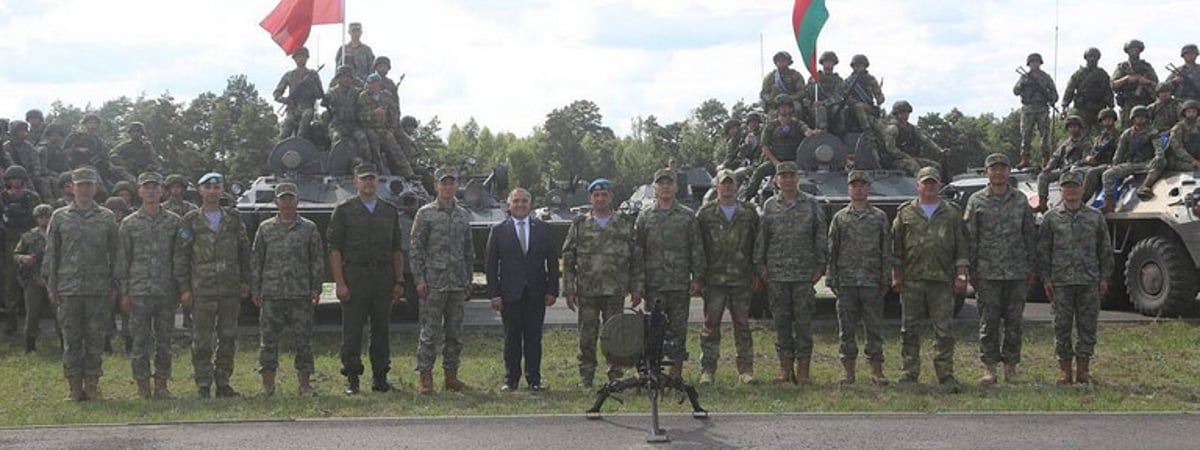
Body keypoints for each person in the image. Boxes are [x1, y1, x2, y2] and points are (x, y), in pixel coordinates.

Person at [44, 167, 122, 401]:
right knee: (71, 339)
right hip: (68, 289)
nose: (85, 189)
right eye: (81, 185)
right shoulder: (59, 216)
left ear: (96, 188)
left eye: (89, 184)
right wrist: (51, 285)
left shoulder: (106, 216)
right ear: (72, 188)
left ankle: (92, 385)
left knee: (96, 339)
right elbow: (51, 253)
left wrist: (115, 285)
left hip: (98, 289)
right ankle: (74, 387)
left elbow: (115, 253)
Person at [327, 164, 406, 395]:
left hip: (383, 276)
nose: (368, 183)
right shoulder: (344, 210)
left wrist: (399, 280)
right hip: (355, 275)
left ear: (378, 182)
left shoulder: (389, 210)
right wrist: (339, 283)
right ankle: (352, 378)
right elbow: (334, 250)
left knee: (381, 330)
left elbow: (396, 249)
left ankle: (380, 378)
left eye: (372, 179)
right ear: (356, 182)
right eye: (364, 179)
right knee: (352, 330)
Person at [174, 172, 251, 399]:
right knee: (202, 340)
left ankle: (224, 382)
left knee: (228, 337)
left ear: (222, 190)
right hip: (202, 289)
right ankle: (204, 384)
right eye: (208, 187)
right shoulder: (190, 220)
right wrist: (184, 288)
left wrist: (246, 280)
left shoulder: (233, 218)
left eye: (217, 187)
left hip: (229, 288)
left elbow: (244, 251)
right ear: (200, 191)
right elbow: (181, 255)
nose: (213, 191)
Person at [561, 178, 642, 388]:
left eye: (604, 195)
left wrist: (636, 287)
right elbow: (568, 257)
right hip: (587, 290)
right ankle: (586, 376)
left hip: (615, 289)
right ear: (590, 198)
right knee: (587, 335)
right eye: (596, 195)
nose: (600, 199)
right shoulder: (580, 224)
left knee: (615, 335)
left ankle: (616, 375)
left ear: (610, 197)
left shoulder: (624, 223)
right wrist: (569, 289)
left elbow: (636, 258)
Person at [892, 167, 968, 388]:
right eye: (925, 183)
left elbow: (961, 245)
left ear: (939, 185)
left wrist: (961, 274)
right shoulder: (905, 212)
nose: (930, 186)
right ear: (918, 185)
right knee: (909, 330)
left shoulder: (952, 212)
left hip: (942, 279)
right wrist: (896, 274)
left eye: (933, 182)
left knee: (944, 330)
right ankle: (909, 372)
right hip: (912, 279)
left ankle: (945, 374)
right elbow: (896, 246)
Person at [965, 154, 1037, 385]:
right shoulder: (976, 200)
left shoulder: (1020, 200)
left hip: (1016, 271)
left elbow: (1029, 235)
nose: (998, 173)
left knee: (1014, 323)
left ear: (1008, 172)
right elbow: (970, 238)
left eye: (1003, 169)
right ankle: (989, 369)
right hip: (987, 272)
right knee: (989, 322)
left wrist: (1031, 267)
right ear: (987, 172)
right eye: (993, 169)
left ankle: (1011, 368)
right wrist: (971, 269)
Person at [1037, 169, 1113, 384]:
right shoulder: (1051, 218)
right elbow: (1043, 251)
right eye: (1067, 186)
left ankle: (1083, 370)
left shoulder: (1095, 216)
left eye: (1075, 186)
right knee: (1061, 327)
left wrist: (1104, 277)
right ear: (1060, 190)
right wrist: (1046, 278)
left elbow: (1104, 250)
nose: (1071, 190)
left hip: (1089, 280)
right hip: (1061, 282)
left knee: (1087, 327)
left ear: (1082, 189)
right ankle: (1064, 370)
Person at [754, 161, 825, 385]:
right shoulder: (769, 206)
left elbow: (820, 236)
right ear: (777, 180)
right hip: (777, 274)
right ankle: (785, 369)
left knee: (804, 324)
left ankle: (803, 372)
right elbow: (762, 239)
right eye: (783, 176)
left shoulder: (812, 204)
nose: (787, 180)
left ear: (798, 178)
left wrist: (819, 266)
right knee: (782, 324)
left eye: (791, 176)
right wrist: (761, 268)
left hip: (804, 274)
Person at [251, 182, 324, 397]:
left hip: (299, 292)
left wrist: (315, 287)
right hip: (272, 293)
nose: (287, 202)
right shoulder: (265, 228)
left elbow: (316, 259)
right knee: (268, 341)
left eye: (290, 198)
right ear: (276, 202)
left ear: (297, 201)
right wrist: (256, 288)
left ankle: (304, 384)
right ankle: (268, 386)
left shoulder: (309, 228)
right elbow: (257, 259)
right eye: (283, 198)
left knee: (303, 341)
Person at [485, 188, 560, 391]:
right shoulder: (498, 230)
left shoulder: (543, 228)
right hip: (509, 294)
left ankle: (534, 379)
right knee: (512, 339)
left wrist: (553, 290)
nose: (520, 204)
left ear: (530, 204)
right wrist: (494, 294)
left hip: (536, 293)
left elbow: (553, 262)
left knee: (534, 338)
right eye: (516, 201)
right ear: (509, 205)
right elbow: (491, 266)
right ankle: (511, 380)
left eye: (524, 201)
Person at [634, 169, 704, 380]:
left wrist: (698, 278)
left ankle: (676, 372)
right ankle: (653, 371)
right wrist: (638, 284)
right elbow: (638, 252)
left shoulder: (687, 216)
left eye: (669, 183)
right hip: (654, 284)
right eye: (661, 183)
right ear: (654, 187)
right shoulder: (645, 216)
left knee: (678, 329)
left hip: (679, 283)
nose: (665, 187)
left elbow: (696, 249)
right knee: (653, 331)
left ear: (676, 187)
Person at [117, 172, 181, 399]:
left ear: (162, 191)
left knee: (164, 341)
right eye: (147, 187)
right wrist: (124, 293)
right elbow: (123, 260)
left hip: (166, 290)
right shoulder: (129, 223)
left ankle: (162, 385)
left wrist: (181, 288)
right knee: (140, 342)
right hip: (139, 291)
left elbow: (179, 257)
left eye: (156, 187)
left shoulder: (174, 221)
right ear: (139, 191)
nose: (152, 191)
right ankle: (142, 386)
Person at [411, 168, 475, 394]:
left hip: (457, 282)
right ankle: (425, 378)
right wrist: (419, 279)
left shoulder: (463, 215)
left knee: (454, 333)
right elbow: (416, 249)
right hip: (433, 283)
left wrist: (468, 278)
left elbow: (469, 250)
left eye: (452, 183)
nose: (448, 187)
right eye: (443, 183)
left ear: (457, 185)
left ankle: (451, 377)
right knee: (429, 333)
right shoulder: (425, 214)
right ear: (436, 186)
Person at [826, 170, 891, 385]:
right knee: (847, 328)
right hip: (847, 281)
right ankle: (848, 370)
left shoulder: (879, 217)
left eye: (862, 185)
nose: (859, 189)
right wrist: (831, 278)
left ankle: (876, 370)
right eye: (854, 185)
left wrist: (885, 278)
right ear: (849, 189)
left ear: (868, 189)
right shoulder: (840, 218)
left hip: (871, 280)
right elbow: (832, 250)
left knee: (874, 328)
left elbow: (885, 250)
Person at [695, 169, 758, 384]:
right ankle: (708, 370)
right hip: (714, 280)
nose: (728, 187)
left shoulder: (749, 212)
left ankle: (746, 369)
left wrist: (757, 271)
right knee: (710, 326)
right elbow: (698, 247)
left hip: (741, 278)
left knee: (742, 324)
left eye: (731, 183)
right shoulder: (705, 214)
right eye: (724, 183)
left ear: (737, 186)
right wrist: (699, 276)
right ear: (717, 186)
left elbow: (757, 244)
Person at [743, 96, 816, 200]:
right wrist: (776, 162)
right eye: (781, 107)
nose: (784, 109)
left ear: (791, 108)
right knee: (759, 171)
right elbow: (765, 146)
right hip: (777, 161)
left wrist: (810, 132)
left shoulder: (797, 123)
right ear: (777, 109)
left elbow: (805, 130)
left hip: (796, 161)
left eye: (786, 107)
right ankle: (748, 198)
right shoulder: (771, 126)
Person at [1, 165, 41, 336]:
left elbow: (37, 219)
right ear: (8, 180)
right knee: (9, 281)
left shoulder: (32, 197)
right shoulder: (2, 197)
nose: (16, 181)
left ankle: (33, 322)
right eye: (13, 178)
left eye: (18, 178)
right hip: (8, 240)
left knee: (31, 281)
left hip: (27, 239)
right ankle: (11, 320)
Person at [14, 204, 57, 354]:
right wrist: (23, 258)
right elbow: (16, 254)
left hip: (54, 280)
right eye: (41, 217)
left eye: (47, 216)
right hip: (33, 278)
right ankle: (29, 345)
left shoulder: (58, 234)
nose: (44, 220)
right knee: (32, 313)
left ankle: (66, 343)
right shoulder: (29, 236)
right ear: (36, 218)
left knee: (59, 313)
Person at [1136, 101, 1200, 200]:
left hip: (1195, 158)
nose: (1191, 114)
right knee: (1194, 169)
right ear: (1184, 113)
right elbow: (1178, 149)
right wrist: (1193, 161)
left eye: (1194, 112)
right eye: (1189, 111)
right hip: (1176, 160)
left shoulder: (1198, 127)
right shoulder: (1178, 128)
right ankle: (1145, 186)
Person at [1104, 106, 1162, 207]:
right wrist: (1115, 165)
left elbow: (1158, 149)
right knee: (1107, 174)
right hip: (1131, 163)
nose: (1141, 119)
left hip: (1146, 163)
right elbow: (1119, 152)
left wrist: (1158, 156)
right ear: (1133, 118)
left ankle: (1145, 186)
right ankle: (1109, 202)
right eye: (1138, 117)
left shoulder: (1153, 132)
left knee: (1161, 161)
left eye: (1143, 117)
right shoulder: (1127, 134)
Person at [359, 73, 415, 177]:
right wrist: (373, 113)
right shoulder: (363, 97)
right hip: (369, 128)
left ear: (379, 85)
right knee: (374, 144)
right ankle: (378, 171)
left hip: (383, 128)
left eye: (375, 84)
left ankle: (408, 172)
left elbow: (393, 115)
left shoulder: (386, 97)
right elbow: (360, 117)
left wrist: (391, 129)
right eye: (370, 84)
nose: (372, 86)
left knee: (395, 147)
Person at [1035, 116, 1091, 212]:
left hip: (1077, 170)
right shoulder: (1066, 144)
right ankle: (1042, 203)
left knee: (1069, 179)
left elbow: (1087, 159)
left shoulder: (1086, 142)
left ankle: (1071, 204)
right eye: (1070, 127)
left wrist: (1076, 164)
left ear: (1080, 128)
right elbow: (1056, 156)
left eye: (1075, 126)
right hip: (1063, 169)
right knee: (1042, 176)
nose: (1073, 129)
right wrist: (1048, 167)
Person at [1014, 53, 1059, 168]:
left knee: (1045, 135)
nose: (1035, 64)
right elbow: (1015, 91)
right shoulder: (1024, 77)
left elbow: (1054, 92)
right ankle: (1025, 158)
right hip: (1028, 108)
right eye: (1032, 62)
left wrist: (1052, 99)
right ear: (1029, 64)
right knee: (1026, 135)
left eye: (1037, 62)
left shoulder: (1045, 77)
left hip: (1042, 108)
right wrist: (1023, 84)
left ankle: (1045, 158)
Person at [882, 101, 948, 176]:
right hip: (895, 161)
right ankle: (920, 186)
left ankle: (936, 186)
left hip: (911, 158)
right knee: (914, 166)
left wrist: (939, 150)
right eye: (902, 113)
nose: (905, 115)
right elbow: (891, 149)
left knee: (936, 166)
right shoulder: (893, 129)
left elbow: (926, 140)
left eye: (906, 112)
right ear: (896, 114)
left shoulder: (912, 128)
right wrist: (906, 156)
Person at [273, 47, 325, 140]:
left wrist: (312, 85)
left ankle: (300, 142)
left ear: (307, 58)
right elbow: (277, 94)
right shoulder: (289, 75)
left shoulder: (312, 74)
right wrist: (286, 100)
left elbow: (320, 95)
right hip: (292, 109)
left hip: (307, 108)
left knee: (305, 121)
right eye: (299, 57)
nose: (301, 59)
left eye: (303, 57)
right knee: (284, 133)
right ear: (295, 59)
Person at [1062, 48, 1114, 138]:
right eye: (1090, 57)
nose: (1092, 59)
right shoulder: (1079, 74)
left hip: (1099, 108)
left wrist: (1111, 106)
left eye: (1095, 57)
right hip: (1083, 109)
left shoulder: (1102, 74)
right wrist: (1065, 105)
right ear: (1086, 58)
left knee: (1105, 134)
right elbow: (1070, 89)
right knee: (1081, 135)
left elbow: (1108, 90)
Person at [103, 196, 132, 354]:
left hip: (126, 272)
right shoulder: (102, 226)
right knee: (107, 309)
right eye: (113, 211)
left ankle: (128, 340)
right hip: (106, 273)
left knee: (127, 307)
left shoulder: (128, 226)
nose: (116, 214)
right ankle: (106, 342)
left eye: (119, 211)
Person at [1111, 39, 1158, 127]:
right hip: (1128, 103)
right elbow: (1113, 85)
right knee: (1127, 128)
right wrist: (1126, 78)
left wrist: (1146, 81)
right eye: (1132, 49)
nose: (1134, 51)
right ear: (1127, 51)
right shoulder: (1123, 67)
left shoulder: (1147, 67)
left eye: (1136, 49)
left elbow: (1158, 86)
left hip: (1145, 102)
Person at [323, 65, 365, 164]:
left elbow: (365, 100)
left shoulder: (357, 92)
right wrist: (326, 99)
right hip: (337, 125)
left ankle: (364, 164)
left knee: (362, 138)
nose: (346, 79)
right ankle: (336, 165)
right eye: (343, 77)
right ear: (338, 79)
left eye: (348, 77)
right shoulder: (333, 91)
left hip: (353, 125)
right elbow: (328, 97)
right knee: (337, 139)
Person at [1081, 108, 1121, 200]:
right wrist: (1089, 158)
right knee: (1076, 171)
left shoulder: (1119, 135)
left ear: (1114, 120)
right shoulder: (1100, 138)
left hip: (1111, 164)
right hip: (1097, 163)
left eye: (1109, 119)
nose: (1107, 121)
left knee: (1092, 173)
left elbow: (1121, 151)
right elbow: (1093, 151)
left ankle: (1082, 200)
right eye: (1105, 119)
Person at [5, 120, 51, 199]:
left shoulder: (28, 146)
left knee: (44, 183)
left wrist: (35, 173)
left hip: (29, 173)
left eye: (24, 130)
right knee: (28, 186)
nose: (23, 133)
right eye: (20, 131)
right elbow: (7, 162)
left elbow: (35, 162)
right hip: (12, 176)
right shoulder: (7, 146)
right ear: (14, 132)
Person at [802, 51, 847, 131]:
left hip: (832, 106)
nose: (828, 64)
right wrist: (810, 104)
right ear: (822, 63)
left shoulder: (838, 80)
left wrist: (824, 103)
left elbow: (839, 96)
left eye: (830, 62)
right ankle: (823, 134)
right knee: (820, 110)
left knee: (839, 110)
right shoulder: (814, 78)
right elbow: (806, 94)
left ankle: (840, 135)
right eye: (826, 61)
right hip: (815, 108)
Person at [845, 54, 886, 132]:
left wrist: (879, 98)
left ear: (865, 66)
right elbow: (844, 96)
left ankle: (867, 131)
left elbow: (879, 96)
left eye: (860, 65)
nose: (858, 67)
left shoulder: (870, 79)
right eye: (856, 65)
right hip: (851, 106)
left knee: (859, 106)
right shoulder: (848, 81)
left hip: (868, 107)